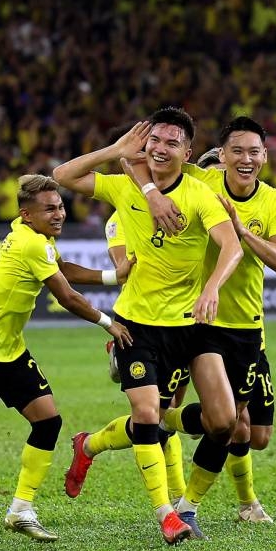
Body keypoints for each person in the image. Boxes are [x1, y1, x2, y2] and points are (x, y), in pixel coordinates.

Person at [53, 108, 243, 545]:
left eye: (172, 142)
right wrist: (115, 150)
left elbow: (231, 246)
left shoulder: (199, 195)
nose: (160, 148)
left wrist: (211, 287)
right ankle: (168, 514)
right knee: (145, 414)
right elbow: (63, 175)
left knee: (224, 422)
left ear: (188, 151)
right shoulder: (125, 189)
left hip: (192, 325)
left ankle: (90, 445)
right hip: (137, 326)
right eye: (154, 139)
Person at [0, 174, 134, 547]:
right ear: (27, 214)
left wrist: (114, 275)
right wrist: (107, 323)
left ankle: (20, 509)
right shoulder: (32, 244)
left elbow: (59, 267)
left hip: (11, 352)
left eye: (61, 206)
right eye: (49, 209)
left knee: (48, 421)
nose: (59, 214)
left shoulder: (28, 234)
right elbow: (66, 295)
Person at [138, 116, 276, 533]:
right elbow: (139, 161)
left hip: (246, 330)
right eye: (236, 151)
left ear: (265, 156)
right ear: (221, 156)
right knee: (226, 421)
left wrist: (240, 230)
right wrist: (152, 194)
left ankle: (162, 423)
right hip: (194, 322)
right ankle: (193, 506)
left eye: (254, 152)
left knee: (251, 432)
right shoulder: (200, 184)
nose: (246, 159)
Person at [103, 208, 189, 507]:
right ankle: (174, 502)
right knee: (151, 414)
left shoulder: (185, 204)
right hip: (142, 325)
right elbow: (122, 269)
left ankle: (89, 445)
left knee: (168, 411)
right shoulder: (121, 216)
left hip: (184, 325)